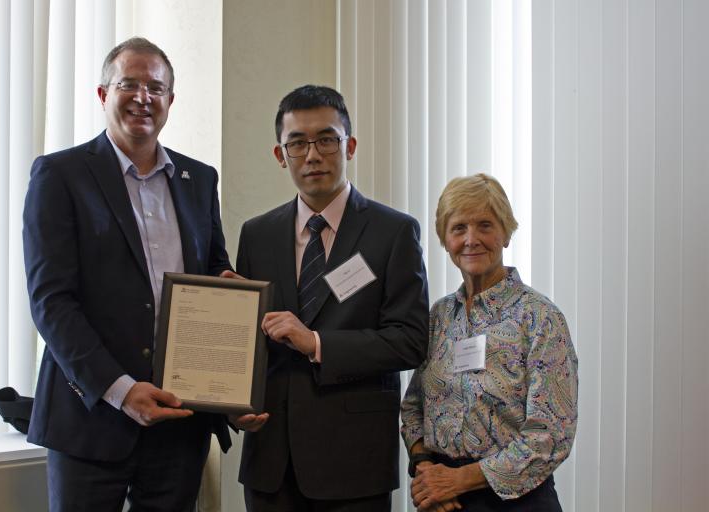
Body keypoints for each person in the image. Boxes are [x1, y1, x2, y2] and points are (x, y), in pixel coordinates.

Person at [23, 37, 233, 511]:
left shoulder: (199, 179)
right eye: (129, 84)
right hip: (90, 417)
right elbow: (51, 301)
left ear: (170, 102)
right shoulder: (60, 175)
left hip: (181, 416)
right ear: (103, 94)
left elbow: (215, 268)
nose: (143, 97)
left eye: (156, 88)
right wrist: (121, 391)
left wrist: (230, 291)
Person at [232, 85, 429, 511]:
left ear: (350, 146)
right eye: (297, 143)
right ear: (280, 155)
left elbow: (410, 340)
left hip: (353, 462)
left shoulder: (392, 232)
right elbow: (247, 343)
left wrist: (316, 343)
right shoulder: (257, 234)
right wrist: (232, 405)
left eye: (326, 139)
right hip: (271, 461)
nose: (312, 155)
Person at [400, 173, 578, 512]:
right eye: (458, 228)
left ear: (506, 233)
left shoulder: (539, 317)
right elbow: (413, 408)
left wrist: (460, 479)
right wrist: (427, 473)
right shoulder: (439, 317)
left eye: (485, 225)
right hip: (442, 500)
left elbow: (550, 435)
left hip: (516, 501)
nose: (471, 239)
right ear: (445, 239)